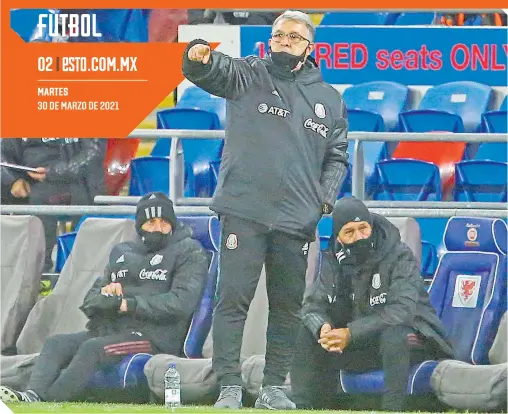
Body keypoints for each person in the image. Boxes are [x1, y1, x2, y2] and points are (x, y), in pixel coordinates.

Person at [182, 9, 349, 410]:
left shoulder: (328, 98)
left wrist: (322, 201)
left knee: (287, 307)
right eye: (278, 36)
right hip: (244, 209)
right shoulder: (249, 74)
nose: (285, 42)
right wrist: (197, 55)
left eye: (294, 37)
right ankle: (228, 388)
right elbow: (211, 70)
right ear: (269, 40)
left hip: (296, 220)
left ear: (310, 46)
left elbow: (338, 157)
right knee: (232, 301)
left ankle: (274, 388)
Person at [0, 192, 209, 403]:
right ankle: (31, 396)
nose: (157, 228)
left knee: (93, 348)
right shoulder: (123, 252)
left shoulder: (189, 251)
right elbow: (90, 299)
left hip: (153, 337)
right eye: (151, 222)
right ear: (139, 226)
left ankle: (50, 402)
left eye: (164, 222)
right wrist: (106, 296)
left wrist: (128, 304)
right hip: (112, 329)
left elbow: (182, 302)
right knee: (56, 343)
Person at [290, 197, 455, 411]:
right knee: (307, 330)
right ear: (338, 237)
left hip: (416, 339)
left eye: (363, 228)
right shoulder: (332, 258)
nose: (359, 237)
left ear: (371, 225)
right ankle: (305, 407)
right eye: (349, 232)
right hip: (366, 343)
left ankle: (392, 409)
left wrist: (350, 333)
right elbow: (312, 306)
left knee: (395, 333)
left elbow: (401, 312)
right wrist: (323, 328)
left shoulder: (399, 255)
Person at [0, 138, 107, 271]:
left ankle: (80, 273)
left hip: (80, 183)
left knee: (48, 199)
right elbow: (3, 155)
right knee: (34, 198)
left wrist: (52, 172)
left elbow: (93, 154)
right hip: (32, 183)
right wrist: (12, 181)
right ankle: (37, 273)